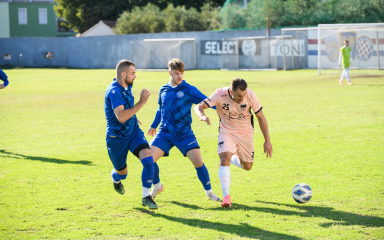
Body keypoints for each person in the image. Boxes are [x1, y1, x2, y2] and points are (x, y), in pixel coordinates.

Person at [147, 58, 221, 202]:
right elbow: (160, 109)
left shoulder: (188, 89)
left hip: (184, 134)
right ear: (170, 73)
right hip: (165, 133)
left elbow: (208, 102)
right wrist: (153, 125)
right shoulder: (164, 89)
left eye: (182, 73)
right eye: (176, 73)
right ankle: (156, 186)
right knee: (148, 159)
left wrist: (226, 109)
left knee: (198, 163)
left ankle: (209, 192)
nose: (180, 76)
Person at [194, 78, 273, 208]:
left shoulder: (250, 95)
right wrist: (201, 115)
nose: (242, 99)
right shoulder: (220, 94)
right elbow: (198, 106)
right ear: (231, 91)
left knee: (248, 166)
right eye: (239, 96)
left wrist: (267, 141)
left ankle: (232, 158)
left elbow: (260, 117)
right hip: (227, 131)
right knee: (224, 157)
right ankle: (226, 197)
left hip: (245, 133)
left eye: (244, 95)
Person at [104, 59, 158, 209]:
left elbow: (125, 110)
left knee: (148, 159)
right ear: (123, 74)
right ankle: (115, 178)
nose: (135, 76)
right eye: (133, 73)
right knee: (122, 174)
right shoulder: (114, 91)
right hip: (117, 139)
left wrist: (133, 117)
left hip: (133, 132)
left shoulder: (125, 86)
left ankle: (146, 196)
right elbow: (121, 117)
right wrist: (141, 102)